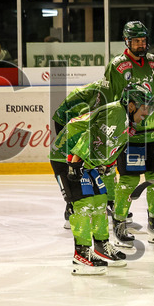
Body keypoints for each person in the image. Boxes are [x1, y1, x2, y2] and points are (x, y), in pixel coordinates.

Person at [50, 83, 152, 275]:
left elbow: (110, 145)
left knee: (100, 199)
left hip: (84, 159)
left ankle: (101, 246)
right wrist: (76, 163)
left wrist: (105, 164)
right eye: (144, 107)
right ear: (131, 105)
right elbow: (90, 134)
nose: (147, 112)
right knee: (84, 203)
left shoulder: (125, 119)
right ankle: (81, 255)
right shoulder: (116, 113)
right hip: (67, 156)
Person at [103, 21, 154, 250]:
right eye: (136, 41)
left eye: (143, 40)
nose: (141, 44)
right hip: (130, 135)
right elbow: (108, 99)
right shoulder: (117, 67)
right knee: (128, 180)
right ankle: (119, 224)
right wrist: (115, 128)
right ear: (127, 41)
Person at [52, 79, 116, 228]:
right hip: (71, 125)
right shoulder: (86, 96)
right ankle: (71, 206)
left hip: (89, 124)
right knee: (75, 167)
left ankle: (109, 202)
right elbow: (68, 119)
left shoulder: (116, 91)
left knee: (103, 164)